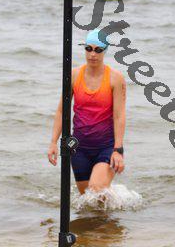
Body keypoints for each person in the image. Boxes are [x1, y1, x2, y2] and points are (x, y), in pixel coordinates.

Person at [48, 29, 126, 194]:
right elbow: (62, 111)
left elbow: (119, 116)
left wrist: (118, 150)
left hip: (106, 146)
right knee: (88, 200)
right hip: (79, 147)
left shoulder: (115, 78)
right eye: (88, 48)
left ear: (105, 51)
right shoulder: (74, 75)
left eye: (98, 50)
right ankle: (109, 209)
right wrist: (53, 142)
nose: (92, 54)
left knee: (96, 189)